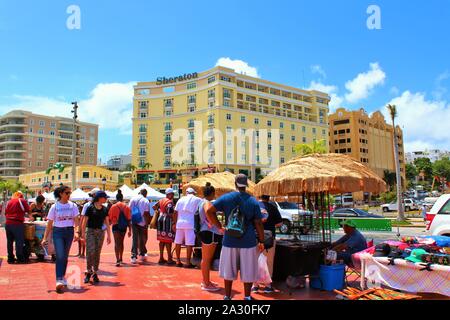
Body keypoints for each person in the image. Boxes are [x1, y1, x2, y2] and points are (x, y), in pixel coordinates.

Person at [206, 174, 265, 301]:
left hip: (229, 240)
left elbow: (209, 211)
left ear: (235, 184)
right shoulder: (253, 201)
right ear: (246, 185)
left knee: (228, 270)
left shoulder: (226, 198)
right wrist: (261, 240)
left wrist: (219, 226)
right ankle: (247, 296)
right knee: (248, 270)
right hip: (248, 241)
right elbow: (258, 223)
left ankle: (227, 296)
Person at [42, 186, 80, 293]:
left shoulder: (73, 206)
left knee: (65, 256)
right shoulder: (54, 207)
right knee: (60, 255)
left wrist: (77, 232)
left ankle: (62, 277)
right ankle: (58, 279)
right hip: (58, 231)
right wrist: (45, 238)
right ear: (60, 194)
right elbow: (49, 223)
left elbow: (76, 221)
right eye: (67, 193)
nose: (69, 195)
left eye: (69, 193)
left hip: (69, 232)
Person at [252, 195, 283, 294]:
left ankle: (255, 285)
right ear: (268, 198)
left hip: (255, 237)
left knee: (254, 260)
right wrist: (270, 223)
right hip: (269, 238)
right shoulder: (273, 207)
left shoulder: (254, 206)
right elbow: (280, 223)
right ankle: (268, 286)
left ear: (259, 196)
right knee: (268, 261)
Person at [80, 191, 112, 284]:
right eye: (105, 197)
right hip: (90, 231)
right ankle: (88, 271)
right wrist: (82, 234)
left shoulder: (105, 209)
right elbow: (84, 221)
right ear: (99, 198)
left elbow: (107, 222)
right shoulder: (90, 208)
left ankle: (95, 272)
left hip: (100, 232)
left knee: (97, 252)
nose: (106, 199)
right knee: (90, 251)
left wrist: (109, 236)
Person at [198, 183, 223, 291]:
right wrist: (219, 226)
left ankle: (206, 280)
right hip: (210, 232)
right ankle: (206, 283)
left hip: (205, 232)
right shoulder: (207, 203)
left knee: (206, 259)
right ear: (212, 193)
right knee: (207, 259)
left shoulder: (201, 202)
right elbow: (209, 212)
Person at [174, 187, 203, 268]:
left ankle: (178, 260)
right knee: (189, 243)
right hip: (190, 223)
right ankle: (187, 262)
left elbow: (175, 212)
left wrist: (175, 223)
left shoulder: (180, 199)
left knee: (178, 242)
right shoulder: (198, 199)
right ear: (193, 193)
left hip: (180, 223)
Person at [5, 191, 31, 264]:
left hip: (8, 223)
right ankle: (20, 258)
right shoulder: (22, 200)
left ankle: (10, 258)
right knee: (19, 241)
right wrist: (31, 217)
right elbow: (28, 210)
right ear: (21, 195)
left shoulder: (9, 202)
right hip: (17, 224)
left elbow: (5, 213)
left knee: (9, 242)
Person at [153, 188, 176, 265]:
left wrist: (160, 211)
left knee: (162, 240)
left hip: (160, 219)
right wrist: (174, 221)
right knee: (168, 240)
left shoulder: (161, 200)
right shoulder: (169, 202)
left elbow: (154, 207)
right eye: (172, 193)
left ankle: (161, 257)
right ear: (168, 194)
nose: (173, 195)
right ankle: (169, 258)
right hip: (167, 221)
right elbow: (170, 213)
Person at [108, 190, 132, 266]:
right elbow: (129, 219)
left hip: (115, 225)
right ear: (122, 198)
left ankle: (117, 259)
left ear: (116, 198)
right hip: (124, 226)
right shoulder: (126, 207)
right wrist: (130, 230)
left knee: (116, 242)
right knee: (121, 242)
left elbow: (110, 218)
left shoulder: (113, 206)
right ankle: (121, 258)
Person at [129, 189, 151, 264]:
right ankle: (142, 252)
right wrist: (147, 223)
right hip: (142, 222)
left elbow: (129, 210)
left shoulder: (133, 199)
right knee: (143, 238)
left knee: (134, 238)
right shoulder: (145, 201)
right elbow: (146, 213)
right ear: (146, 194)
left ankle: (133, 255)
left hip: (134, 221)